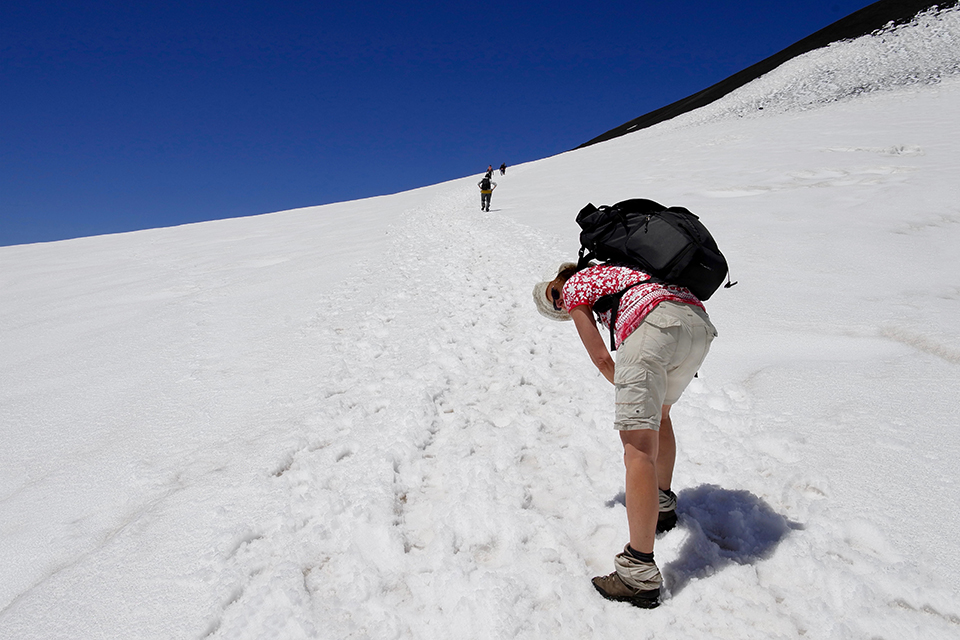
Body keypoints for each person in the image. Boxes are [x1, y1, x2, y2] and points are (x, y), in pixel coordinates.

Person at [532, 261, 717, 609]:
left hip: (653, 327)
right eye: (556, 304)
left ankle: (638, 572)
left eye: (554, 297)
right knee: (660, 415)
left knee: (638, 448)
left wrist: (630, 389)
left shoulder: (574, 289)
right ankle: (661, 505)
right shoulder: (613, 269)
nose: (561, 304)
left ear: (559, 284)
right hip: (697, 326)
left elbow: (602, 359)